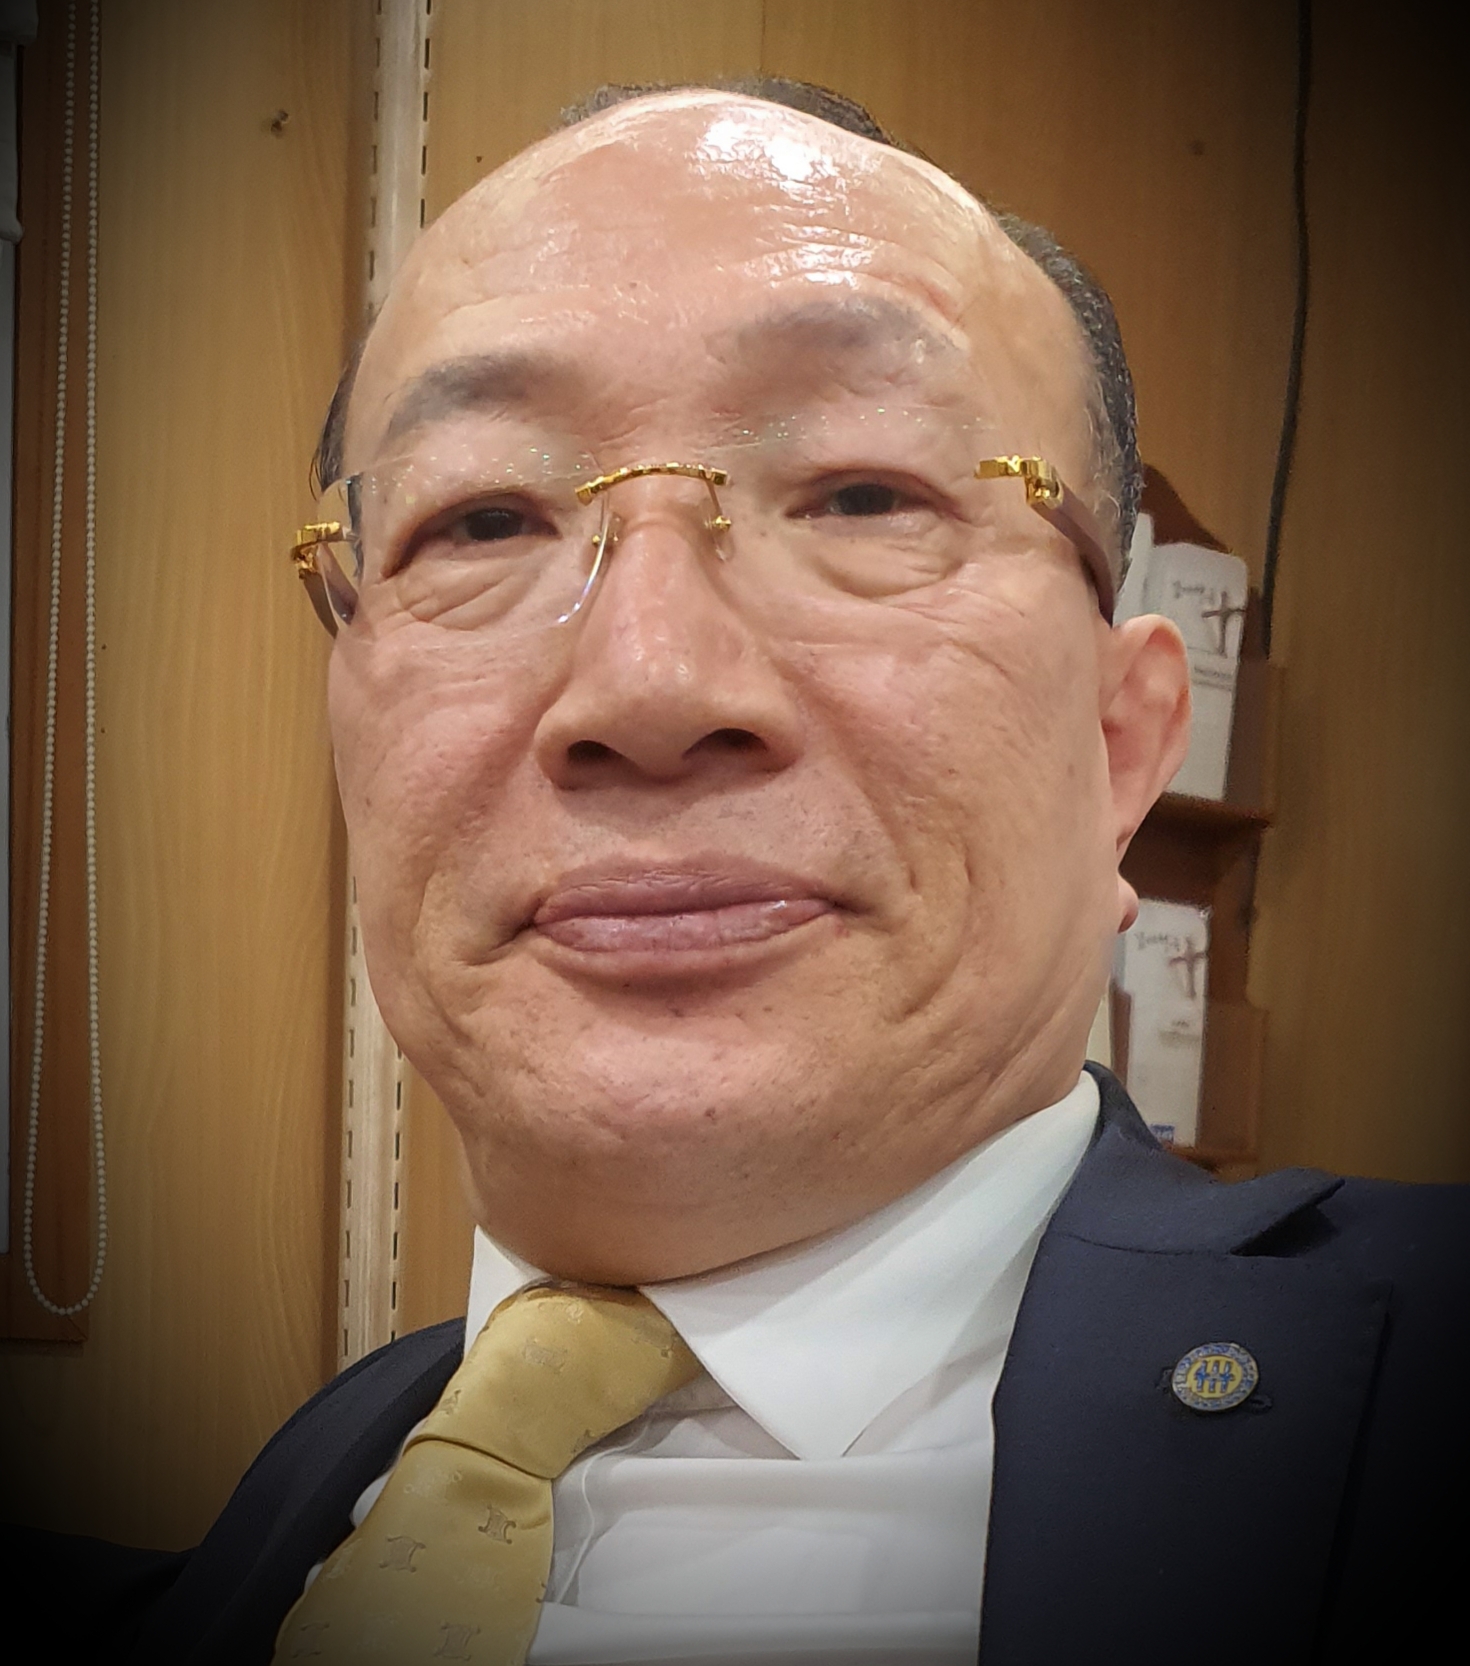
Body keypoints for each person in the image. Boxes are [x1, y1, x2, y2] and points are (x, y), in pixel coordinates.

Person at [15, 81, 1467, 1663]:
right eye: (482, 517)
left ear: (1119, 748)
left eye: (862, 493)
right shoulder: (304, 1486)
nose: (646, 683)